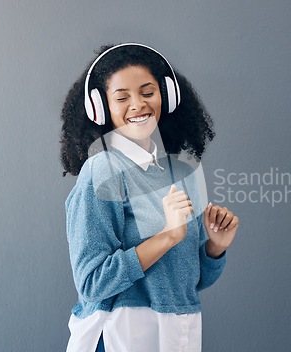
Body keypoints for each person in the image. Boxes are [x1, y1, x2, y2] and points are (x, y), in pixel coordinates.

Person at [60, 43, 239, 352]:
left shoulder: (180, 171)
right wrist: (167, 237)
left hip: (177, 333)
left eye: (147, 92)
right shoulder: (102, 170)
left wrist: (214, 248)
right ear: (101, 107)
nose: (137, 104)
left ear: (166, 95)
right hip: (120, 336)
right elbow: (92, 283)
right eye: (122, 97)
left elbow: (188, 283)